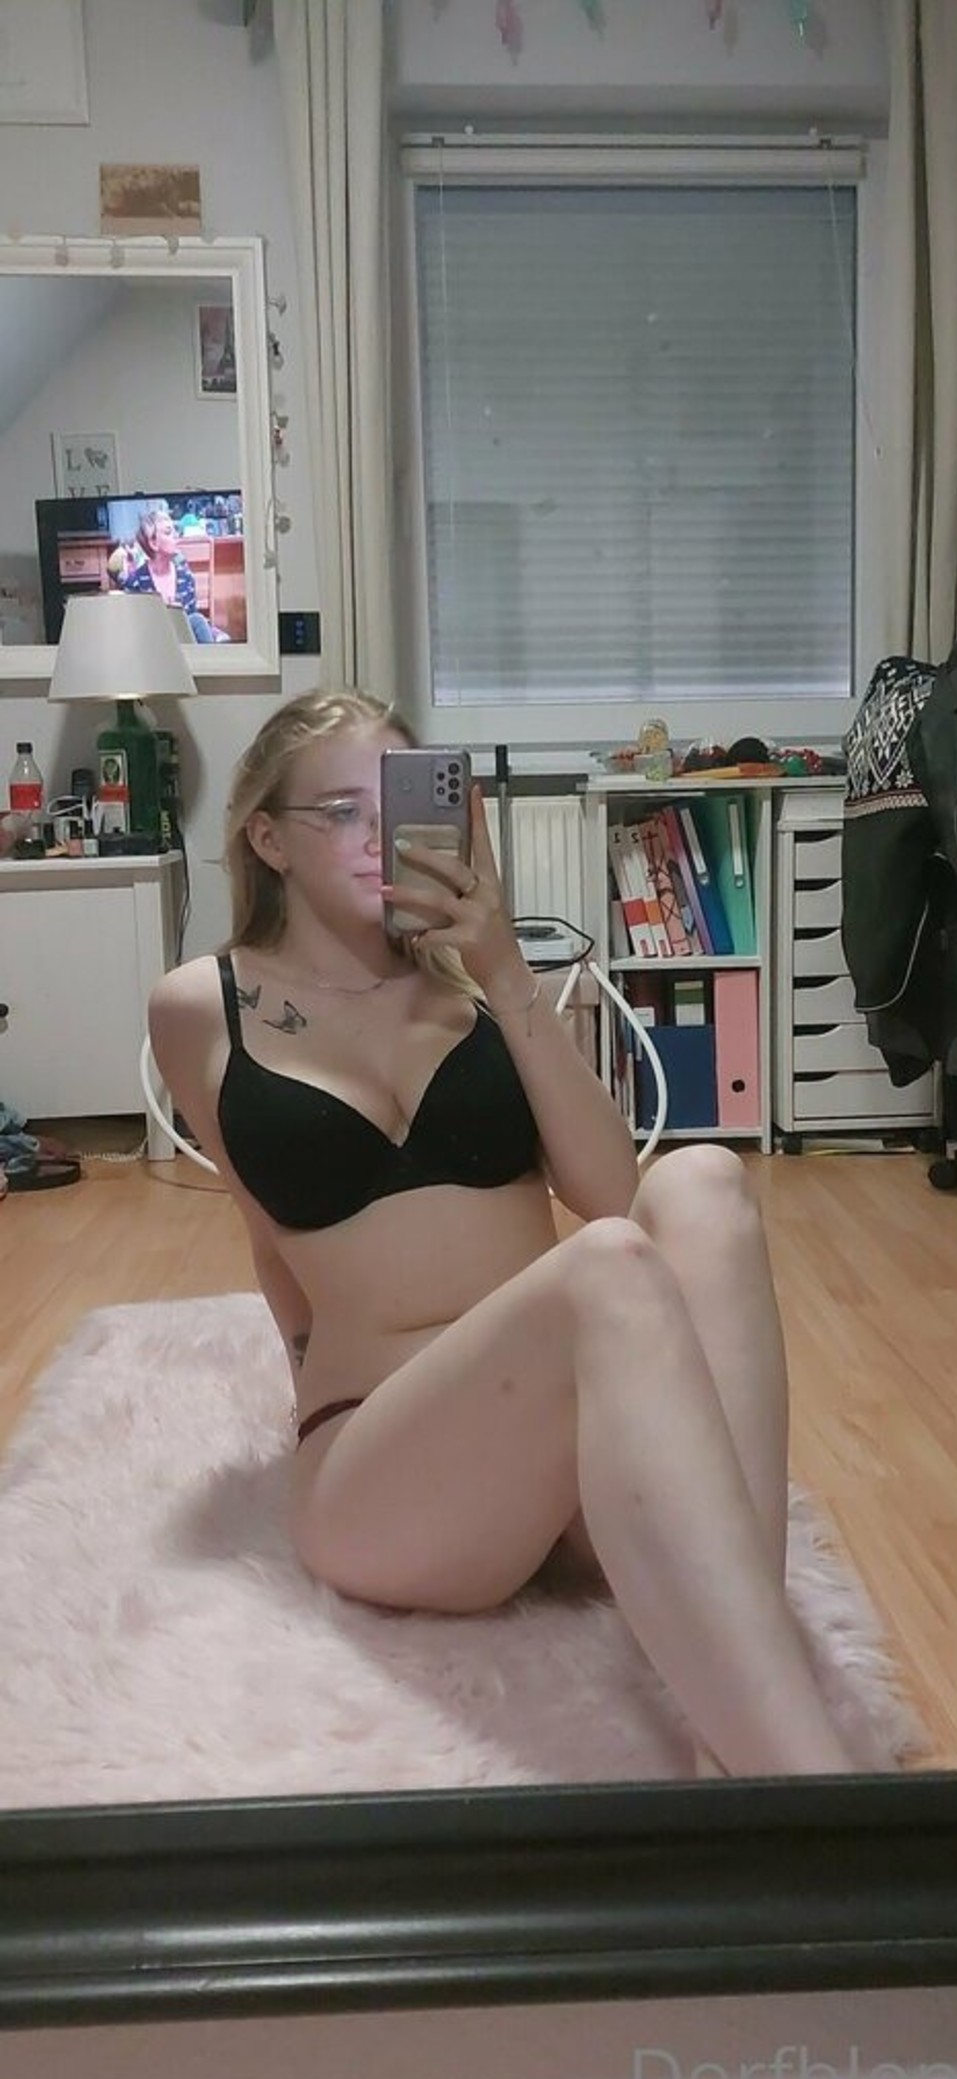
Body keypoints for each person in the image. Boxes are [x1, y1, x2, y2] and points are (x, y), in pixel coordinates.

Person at [148, 688, 856, 1779]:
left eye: (398, 803)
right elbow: (264, 1223)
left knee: (704, 1184)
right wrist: (303, 1373)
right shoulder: (201, 1006)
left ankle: (740, 1693)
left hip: (564, 1465)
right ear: (268, 839)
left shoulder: (481, 996)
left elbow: (612, 1196)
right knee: (604, 1271)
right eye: (341, 811)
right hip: (387, 1468)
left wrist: (504, 971)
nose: (379, 835)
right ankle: (815, 1794)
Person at [118, 507, 228, 641]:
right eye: (168, 532)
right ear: (153, 543)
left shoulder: (186, 577)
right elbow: (133, 628)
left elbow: (192, 620)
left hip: (185, 643)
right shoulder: (136, 582)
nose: (176, 537)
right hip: (152, 642)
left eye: (175, 531)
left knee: (197, 620)